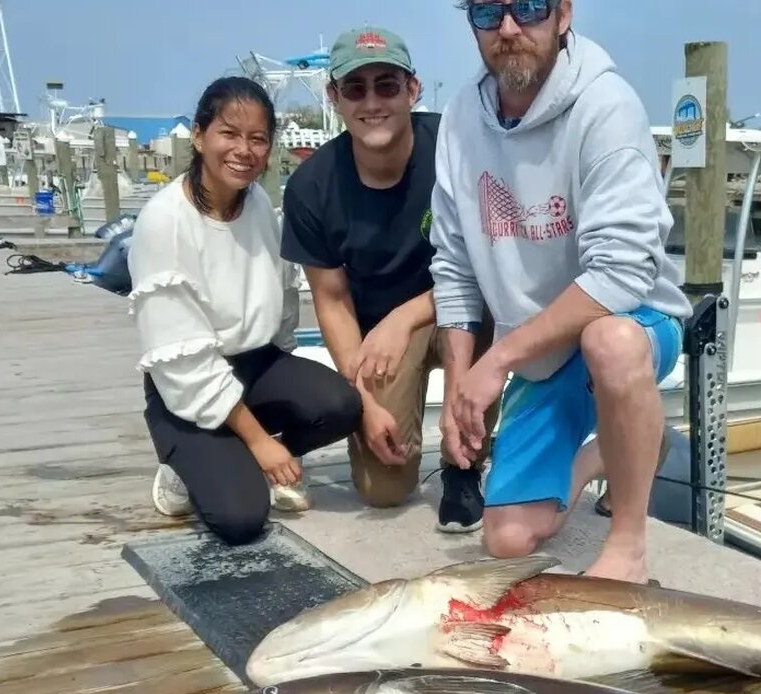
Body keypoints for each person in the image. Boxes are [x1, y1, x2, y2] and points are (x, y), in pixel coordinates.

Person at [430, 0, 692, 583]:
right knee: (508, 539)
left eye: (528, 7)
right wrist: (457, 393)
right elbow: (453, 266)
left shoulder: (607, 105)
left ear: (563, 13)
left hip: (634, 317)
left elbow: (622, 271)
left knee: (610, 341)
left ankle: (628, 546)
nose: (508, 28)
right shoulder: (460, 119)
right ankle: (615, 450)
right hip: (542, 349)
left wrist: (499, 358)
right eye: (486, 11)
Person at [280, 26, 500, 533]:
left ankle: (465, 465)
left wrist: (406, 316)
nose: (372, 102)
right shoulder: (311, 187)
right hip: (379, 340)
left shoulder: (457, 147)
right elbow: (331, 301)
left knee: (485, 314)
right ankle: (407, 443)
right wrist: (361, 400)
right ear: (334, 97)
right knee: (383, 489)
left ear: (412, 90)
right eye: (355, 88)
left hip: (459, 309)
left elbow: (491, 266)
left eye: (387, 85)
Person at [128, 75, 362, 545]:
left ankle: (257, 460)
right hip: (185, 384)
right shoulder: (163, 223)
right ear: (199, 136)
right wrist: (258, 441)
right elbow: (187, 363)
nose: (244, 150)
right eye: (229, 134)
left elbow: (281, 291)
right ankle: (183, 469)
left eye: (258, 139)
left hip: (254, 363)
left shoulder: (257, 202)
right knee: (240, 519)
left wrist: (287, 366)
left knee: (341, 406)